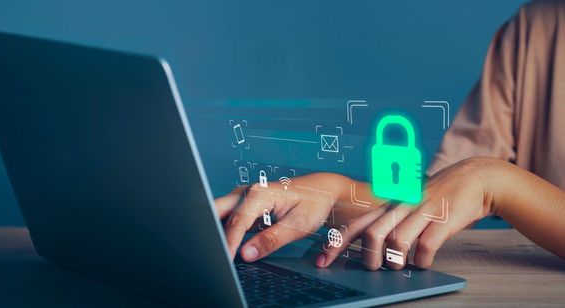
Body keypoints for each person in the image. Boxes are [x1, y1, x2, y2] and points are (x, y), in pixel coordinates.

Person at [215, 0, 565, 271]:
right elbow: (443, 196)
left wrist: (495, 181)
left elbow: (480, 182)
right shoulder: (534, 26)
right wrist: (334, 194)